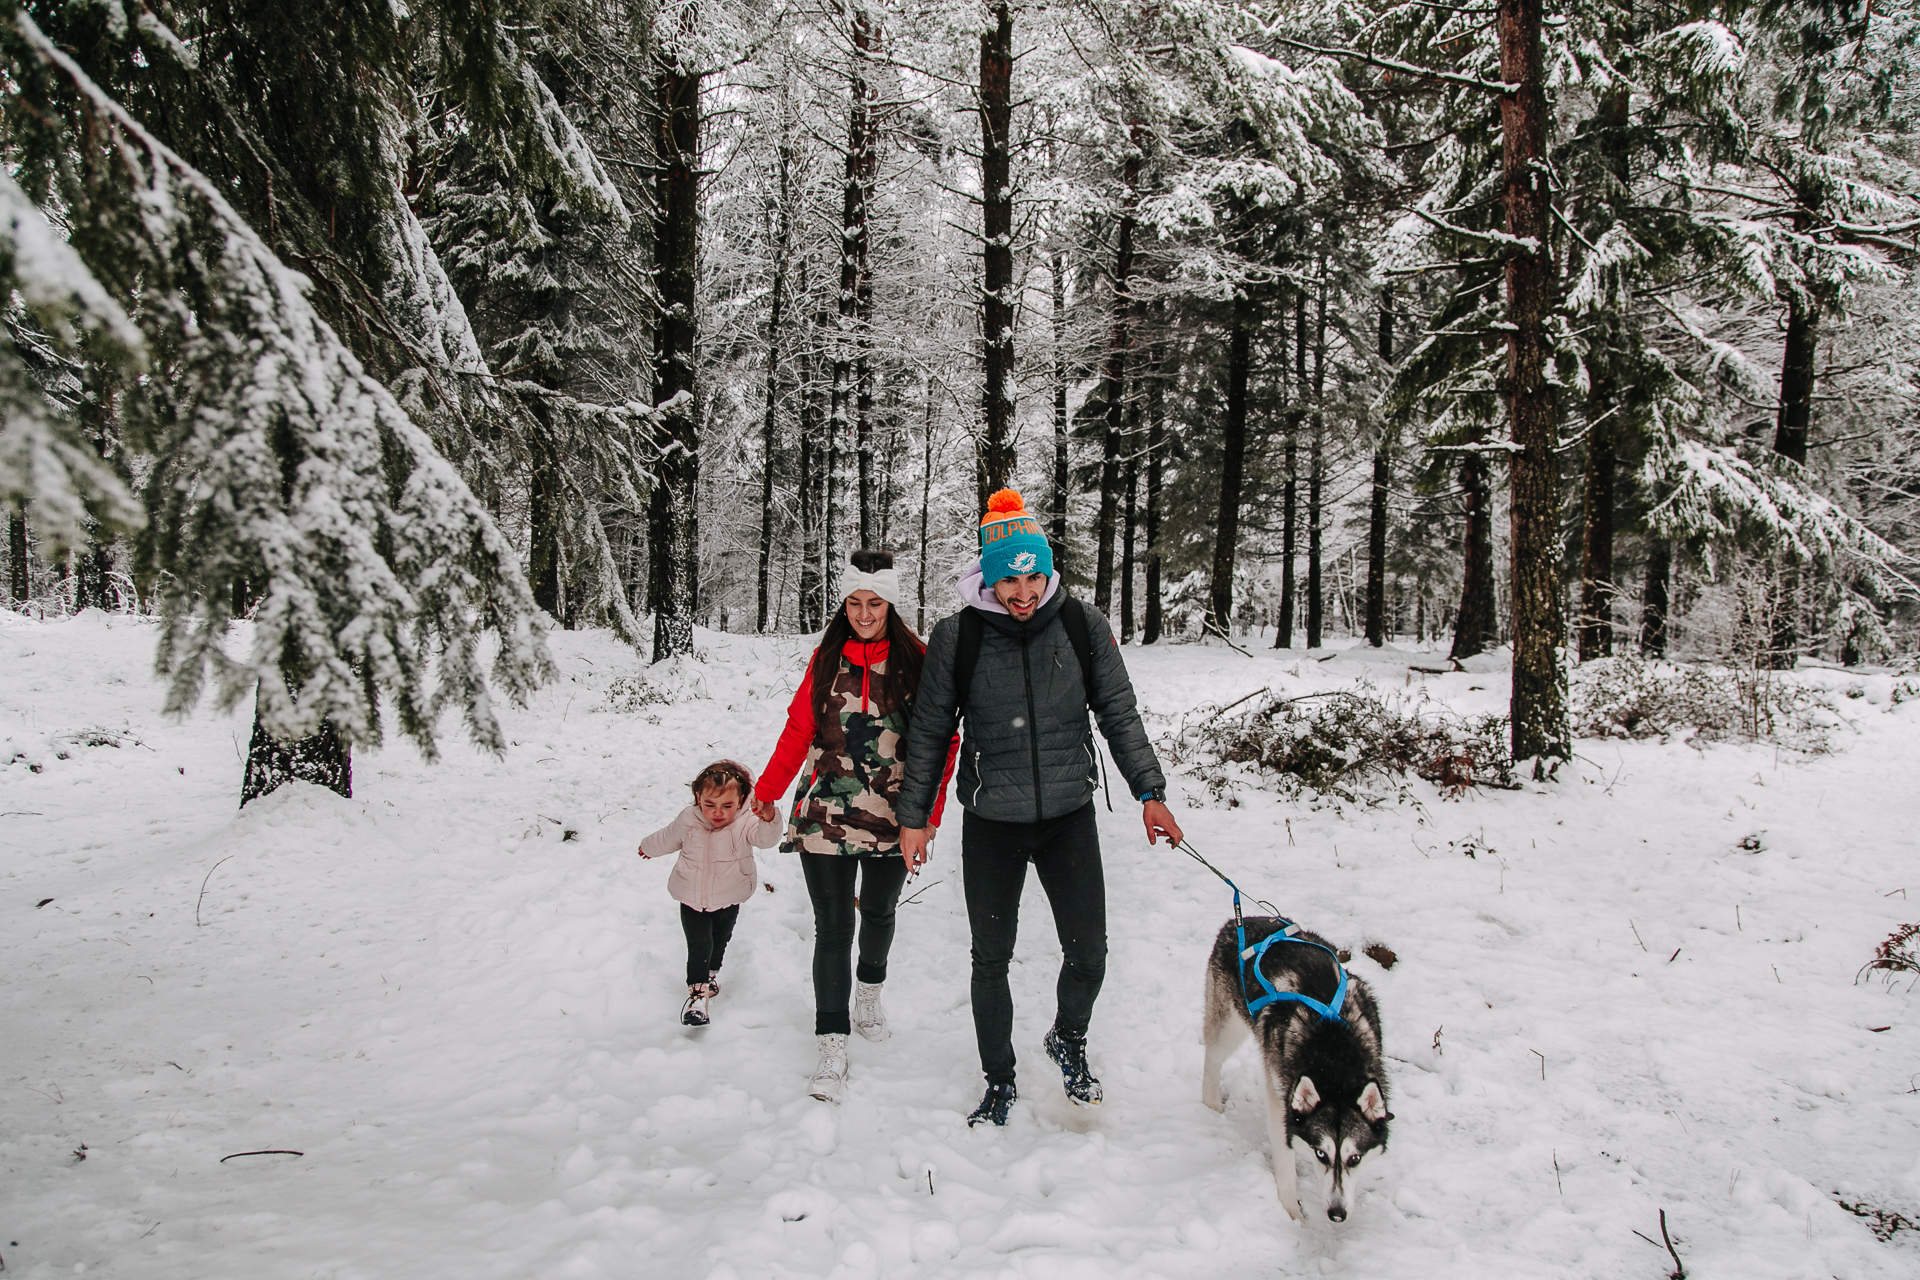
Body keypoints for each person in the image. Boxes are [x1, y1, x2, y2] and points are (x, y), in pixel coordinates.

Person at [895, 489, 1183, 1127]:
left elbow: (1119, 712)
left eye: (1033, 577)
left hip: (1067, 819)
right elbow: (931, 731)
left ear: (1048, 572)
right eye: (1009, 581)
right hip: (991, 823)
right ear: (988, 578)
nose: (1022, 594)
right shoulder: (958, 636)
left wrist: (1150, 792)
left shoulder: (1081, 624)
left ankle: (1067, 1039)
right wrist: (915, 818)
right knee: (989, 958)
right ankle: (999, 1080)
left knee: (1090, 954)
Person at [757, 550, 957, 1101]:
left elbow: (943, 741)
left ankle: (868, 992)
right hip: (826, 811)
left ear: (890, 603)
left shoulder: (918, 658)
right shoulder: (825, 660)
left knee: (879, 912)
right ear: (842, 603)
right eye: (854, 602)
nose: (864, 613)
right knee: (831, 928)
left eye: (874, 602)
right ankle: (830, 1041)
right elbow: (800, 728)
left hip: (897, 815)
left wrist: (930, 815)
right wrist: (768, 791)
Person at [637, 760, 781, 1027]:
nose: (717, 813)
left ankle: (712, 973)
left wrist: (769, 818)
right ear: (697, 798)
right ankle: (697, 994)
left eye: (727, 806)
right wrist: (648, 846)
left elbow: (766, 840)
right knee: (699, 943)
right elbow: (667, 837)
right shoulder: (688, 819)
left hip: (730, 895)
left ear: (740, 801)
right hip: (691, 896)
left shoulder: (746, 821)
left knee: (720, 939)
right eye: (709, 805)